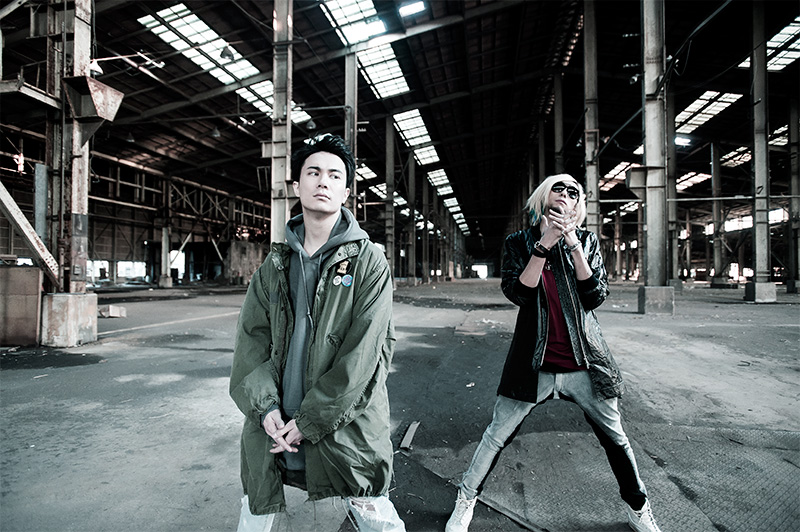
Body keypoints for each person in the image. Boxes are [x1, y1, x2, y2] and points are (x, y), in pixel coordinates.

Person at [445, 174, 661, 532]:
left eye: (573, 192)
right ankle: (465, 500)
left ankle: (638, 508)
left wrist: (573, 244)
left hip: (585, 362)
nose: (565, 194)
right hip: (533, 363)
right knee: (496, 436)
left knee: (616, 440)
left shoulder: (587, 241)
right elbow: (519, 293)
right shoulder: (518, 242)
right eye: (557, 188)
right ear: (543, 198)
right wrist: (543, 245)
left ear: (578, 205)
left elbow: (595, 295)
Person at [230, 134, 406, 532]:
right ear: (297, 186)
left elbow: (363, 357)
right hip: (275, 424)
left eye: (334, 175)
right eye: (313, 172)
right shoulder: (273, 267)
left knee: (372, 512)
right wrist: (265, 410)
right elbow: (251, 344)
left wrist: (309, 421)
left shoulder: (369, 263)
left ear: (346, 192)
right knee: (256, 507)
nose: (323, 181)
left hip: (346, 424)